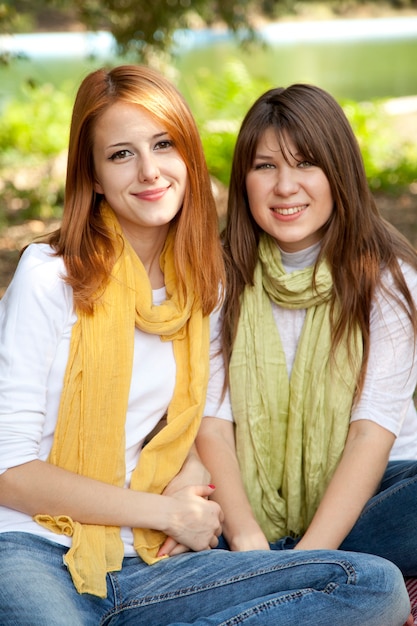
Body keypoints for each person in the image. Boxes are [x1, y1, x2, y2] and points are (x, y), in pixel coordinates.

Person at [0, 66, 412, 626]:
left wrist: (192, 471)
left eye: (163, 145)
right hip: (37, 547)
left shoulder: (201, 283)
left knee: (370, 586)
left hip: (150, 559)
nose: (149, 171)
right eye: (121, 154)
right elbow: (10, 471)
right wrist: (169, 511)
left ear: (189, 158)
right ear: (92, 174)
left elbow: (199, 415)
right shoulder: (50, 276)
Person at [196, 84, 417, 579]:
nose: (285, 186)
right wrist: (249, 540)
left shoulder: (387, 279)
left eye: (305, 163)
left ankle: (307, 577)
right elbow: (211, 422)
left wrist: (300, 563)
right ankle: (325, 581)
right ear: (244, 179)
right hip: (246, 515)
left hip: (372, 501)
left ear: (339, 172)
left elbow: (369, 435)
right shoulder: (216, 276)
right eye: (265, 166)